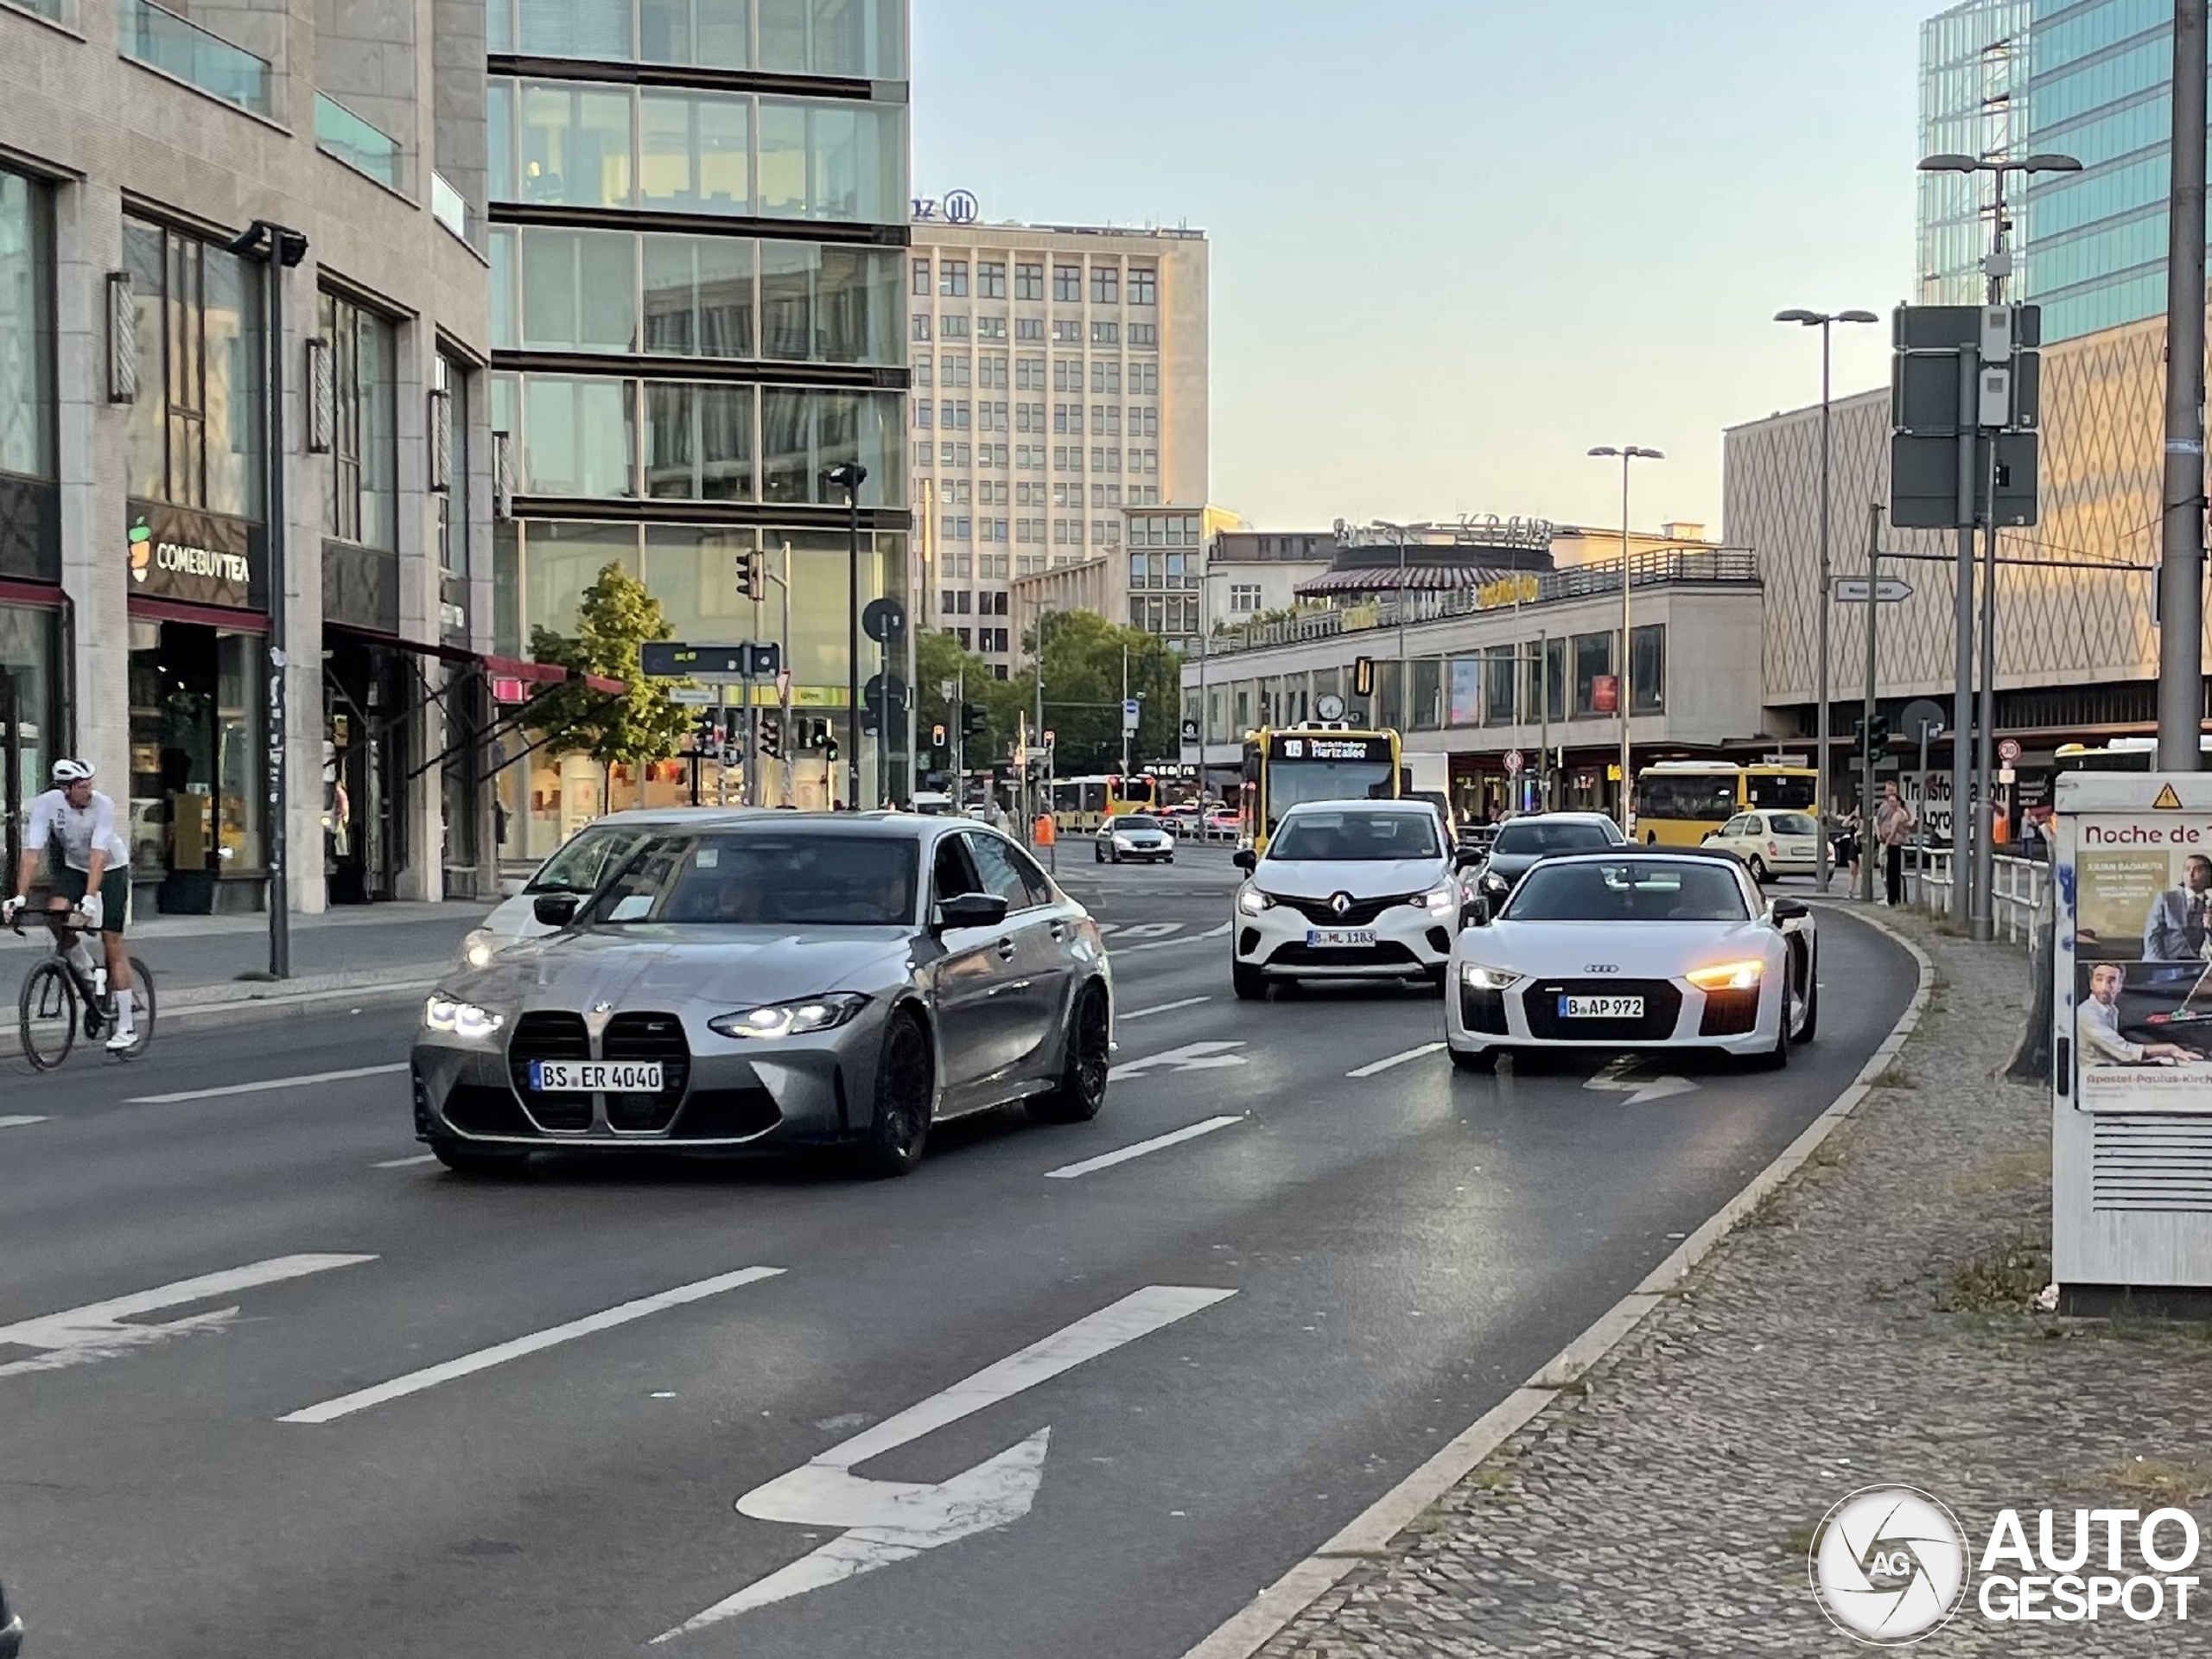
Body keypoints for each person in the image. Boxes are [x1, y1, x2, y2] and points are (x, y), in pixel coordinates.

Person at [3, 759, 139, 1050]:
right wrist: (20, 896)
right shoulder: (46, 804)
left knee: (111, 940)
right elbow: (31, 853)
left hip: (111, 866)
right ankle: (86, 970)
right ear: (65, 789)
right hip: (74, 867)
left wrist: (90, 900)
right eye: (82, 786)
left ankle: (126, 1025)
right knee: (57, 913)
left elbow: (99, 854)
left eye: (90, 783)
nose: (88, 790)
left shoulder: (102, 804)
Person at [2078, 962, 2192, 1064]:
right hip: (2092, 1080)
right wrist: (2169, 1049)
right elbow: (2124, 1051)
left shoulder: (2112, 1010)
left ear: (2120, 986)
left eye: (2112, 980)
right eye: (2099, 979)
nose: (2104, 987)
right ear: (2091, 984)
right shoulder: (2087, 1013)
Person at [2143, 854, 2212, 961]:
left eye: (2198, 870)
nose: (2191, 873)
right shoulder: (2166, 899)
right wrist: (2159, 965)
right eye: (2187, 869)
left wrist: (2209, 929)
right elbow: (2153, 935)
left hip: (2199, 967)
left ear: (2208, 875)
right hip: (2166, 964)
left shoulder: (2209, 905)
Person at [1872, 782, 1915, 908]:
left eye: (1892, 791)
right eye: (1888, 790)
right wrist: (1879, 834)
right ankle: (1890, 894)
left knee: (1894, 870)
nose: (1890, 793)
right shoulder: (1883, 807)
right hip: (1884, 840)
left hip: (1893, 842)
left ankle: (1894, 896)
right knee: (1884, 867)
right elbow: (1878, 821)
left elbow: (1905, 823)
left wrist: (1890, 840)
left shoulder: (1900, 810)